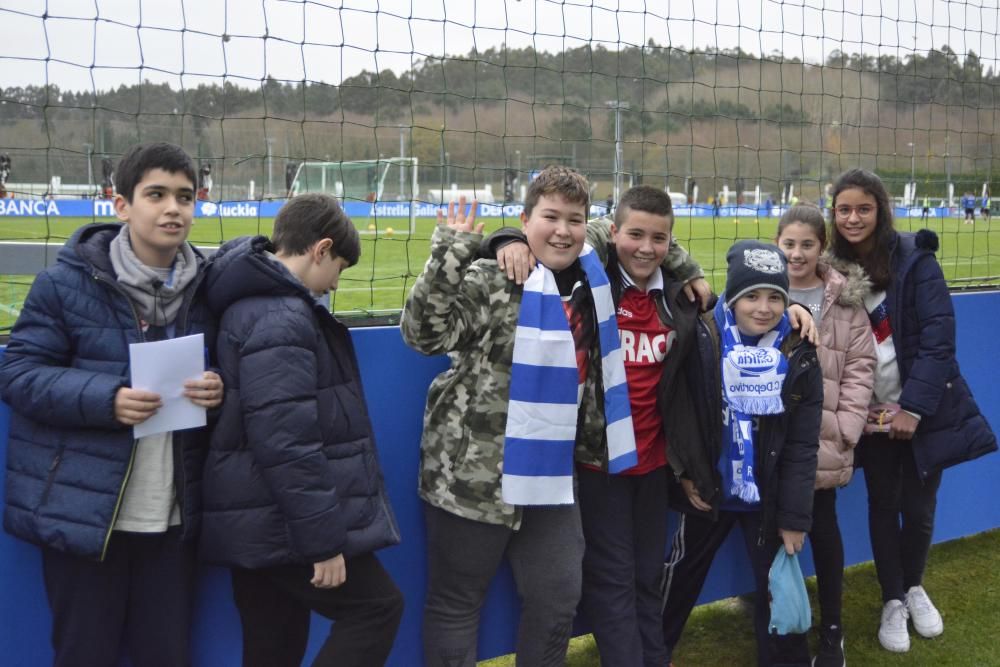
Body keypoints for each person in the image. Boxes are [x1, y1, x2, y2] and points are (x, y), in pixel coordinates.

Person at [400, 166, 639, 667]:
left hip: (550, 473)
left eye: (574, 219)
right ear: (526, 219)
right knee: (457, 604)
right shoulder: (493, 279)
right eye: (550, 217)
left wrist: (695, 276)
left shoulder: (590, 272)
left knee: (558, 597)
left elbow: (647, 233)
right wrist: (454, 249)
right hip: (471, 477)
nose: (563, 230)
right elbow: (423, 335)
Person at [0, 141, 223, 666]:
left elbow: (231, 375)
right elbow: (17, 372)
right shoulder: (63, 284)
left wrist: (218, 389)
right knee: (85, 655)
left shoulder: (209, 291)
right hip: (86, 519)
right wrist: (108, 400)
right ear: (121, 205)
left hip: (172, 522)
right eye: (157, 194)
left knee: (166, 656)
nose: (173, 208)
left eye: (185, 197)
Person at [487, 185, 708, 666]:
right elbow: (551, 238)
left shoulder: (676, 298)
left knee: (646, 579)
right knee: (611, 583)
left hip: (653, 467)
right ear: (611, 233)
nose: (645, 248)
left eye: (659, 240)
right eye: (633, 236)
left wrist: (689, 269)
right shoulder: (593, 279)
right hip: (598, 466)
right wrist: (507, 238)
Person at [200, 193, 403, 667]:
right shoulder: (282, 318)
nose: (334, 283)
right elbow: (286, 442)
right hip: (281, 526)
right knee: (378, 608)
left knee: (273, 647)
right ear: (321, 249)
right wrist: (324, 544)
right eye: (340, 268)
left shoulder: (250, 304)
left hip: (255, 521)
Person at [826, 168, 997, 653]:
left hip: (923, 411)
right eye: (844, 209)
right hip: (869, 414)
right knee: (882, 503)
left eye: (863, 208)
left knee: (919, 508)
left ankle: (915, 586)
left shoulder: (915, 260)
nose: (853, 217)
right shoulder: (831, 267)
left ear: (880, 209)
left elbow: (939, 341)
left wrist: (913, 409)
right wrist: (863, 410)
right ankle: (892, 599)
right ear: (833, 214)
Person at [661, 240, 823, 667]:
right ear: (732, 298)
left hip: (766, 499)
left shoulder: (799, 350)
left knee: (779, 588)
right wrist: (686, 473)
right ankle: (650, 652)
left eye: (775, 296)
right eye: (751, 295)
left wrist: (793, 518)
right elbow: (680, 413)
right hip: (706, 490)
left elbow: (803, 444)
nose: (764, 307)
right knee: (678, 578)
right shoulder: (702, 337)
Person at [774, 205, 876, 666]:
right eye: (788, 244)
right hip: (769, 438)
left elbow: (860, 369)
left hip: (823, 439)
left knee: (824, 531)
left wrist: (846, 428)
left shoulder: (844, 301)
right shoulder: (760, 290)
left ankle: (832, 629)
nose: (797, 253)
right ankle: (778, 618)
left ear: (822, 248)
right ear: (777, 244)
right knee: (771, 532)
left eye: (807, 245)